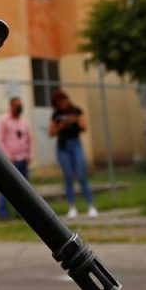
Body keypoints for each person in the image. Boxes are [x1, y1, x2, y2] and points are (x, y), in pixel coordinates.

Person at [48, 89, 98, 219]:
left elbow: (84, 126)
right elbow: (51, 132)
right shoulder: (56, 115)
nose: (63, 104)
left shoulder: (76, 111)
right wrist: (62, 126)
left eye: (64, 101)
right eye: (60, 102)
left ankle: (91, 206)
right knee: (68, 176)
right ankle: (72, 207)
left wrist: (74, 121)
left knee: (82, 175)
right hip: (63, 147)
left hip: (75, 144)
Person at [0, 96, 35, 220]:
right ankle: (3, 213)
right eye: (17, 106)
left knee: (23, 188)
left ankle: (21, 212)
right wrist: (7, 156)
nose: (19, 108)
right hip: (10, 160)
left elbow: (29, 140)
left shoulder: (24, 122)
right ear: (11, 106)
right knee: (6, 187)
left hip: (22, 159)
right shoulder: (4, 121)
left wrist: (30, 154)